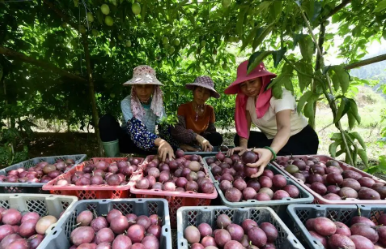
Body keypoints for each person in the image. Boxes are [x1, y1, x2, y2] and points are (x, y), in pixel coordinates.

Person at [226, 60, 319, 177]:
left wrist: (270, 151)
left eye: (252, 82)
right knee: (241, 141)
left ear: (262, 79)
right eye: (243, 85)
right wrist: (244, 146)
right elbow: (245, 127)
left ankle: (271, 157)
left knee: (270, 159)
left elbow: (284, 128)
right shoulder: (248, 100)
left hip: (299, 139)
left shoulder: (280, 95)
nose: (248, 88)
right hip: (273, 138)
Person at [98, 65, 175, 161]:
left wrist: (172, 145)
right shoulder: (126, 102)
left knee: (172, 143)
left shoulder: (158, 104)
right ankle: (113, 161)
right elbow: (136, 130)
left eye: (147, 86)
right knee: (106, 121)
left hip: (149, 143)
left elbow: (164, 129)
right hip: (128, 140)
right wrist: (161, 142)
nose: (143, 91)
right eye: (139, 86)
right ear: (134, 87)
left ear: (153, 88)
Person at [171, 76, 223, 152]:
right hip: (186, 139)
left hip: (201, 141)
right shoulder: (183, 108)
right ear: (193, 91)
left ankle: (201, 148)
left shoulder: (209, 109)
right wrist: (196, 137)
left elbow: (211, 130)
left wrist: (203, 139)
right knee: (173, 132)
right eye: (199, 91)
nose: (202, 95)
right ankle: (186, 147)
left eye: (206, 93)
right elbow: (178, 130)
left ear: (209, 96)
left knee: (216, 137)